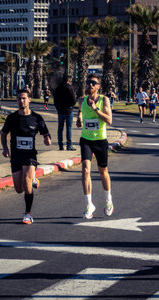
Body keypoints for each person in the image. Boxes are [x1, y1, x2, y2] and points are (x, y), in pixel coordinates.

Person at [1, 88, 52, 224]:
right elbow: (3, 134)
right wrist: (5, 148)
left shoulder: (36, 118)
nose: (21, 101)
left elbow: (46, 134)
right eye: (19, 98)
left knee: (28, 184)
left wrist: (47, 140)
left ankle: (28, 214)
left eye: (24, 98)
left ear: (29, 100)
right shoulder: (12, 118)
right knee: (19, 189)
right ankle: (33, 179)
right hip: (16, 156)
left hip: (30, 156)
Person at [76, 73, 113, 219]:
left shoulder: (104, 100)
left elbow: (109, 120)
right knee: (85, 170)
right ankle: (88, 204)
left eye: (93, 83)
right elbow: (80, 111)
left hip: (100, 140)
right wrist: (79, 119)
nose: (90, 85)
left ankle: (108, 200)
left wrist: (96, 109)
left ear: (98, 86)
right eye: (88, 82)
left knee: (103, 171)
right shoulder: (81, 100)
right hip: (86, 139)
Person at [53, 74, 77, 151]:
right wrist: (71, 106)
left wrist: (58, 108)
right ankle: (69, 145)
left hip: (60, 110)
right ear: (68, 80)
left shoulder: (58, 88)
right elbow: (73, 99)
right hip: (68, 110)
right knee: (68, 128)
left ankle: (60, 145)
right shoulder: (69, 88)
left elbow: (55, 100)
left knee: (60, 128)